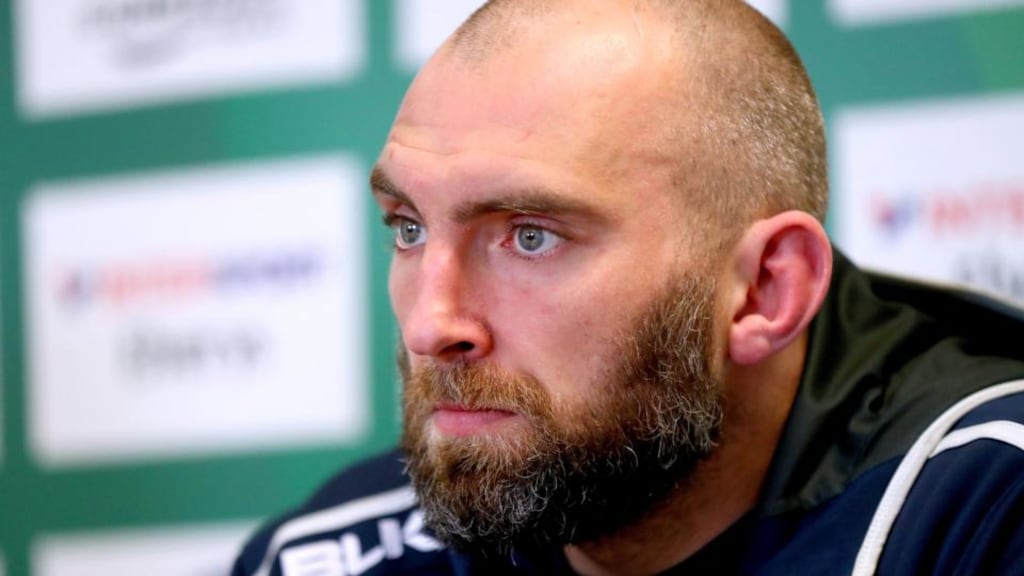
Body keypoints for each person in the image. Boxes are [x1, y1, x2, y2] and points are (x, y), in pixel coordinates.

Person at [232, 1, 1024, 574]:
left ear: (763, 292)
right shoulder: (330, 554)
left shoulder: (984, 506)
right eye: (408, 227)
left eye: (530, 237)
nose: (431, 324)